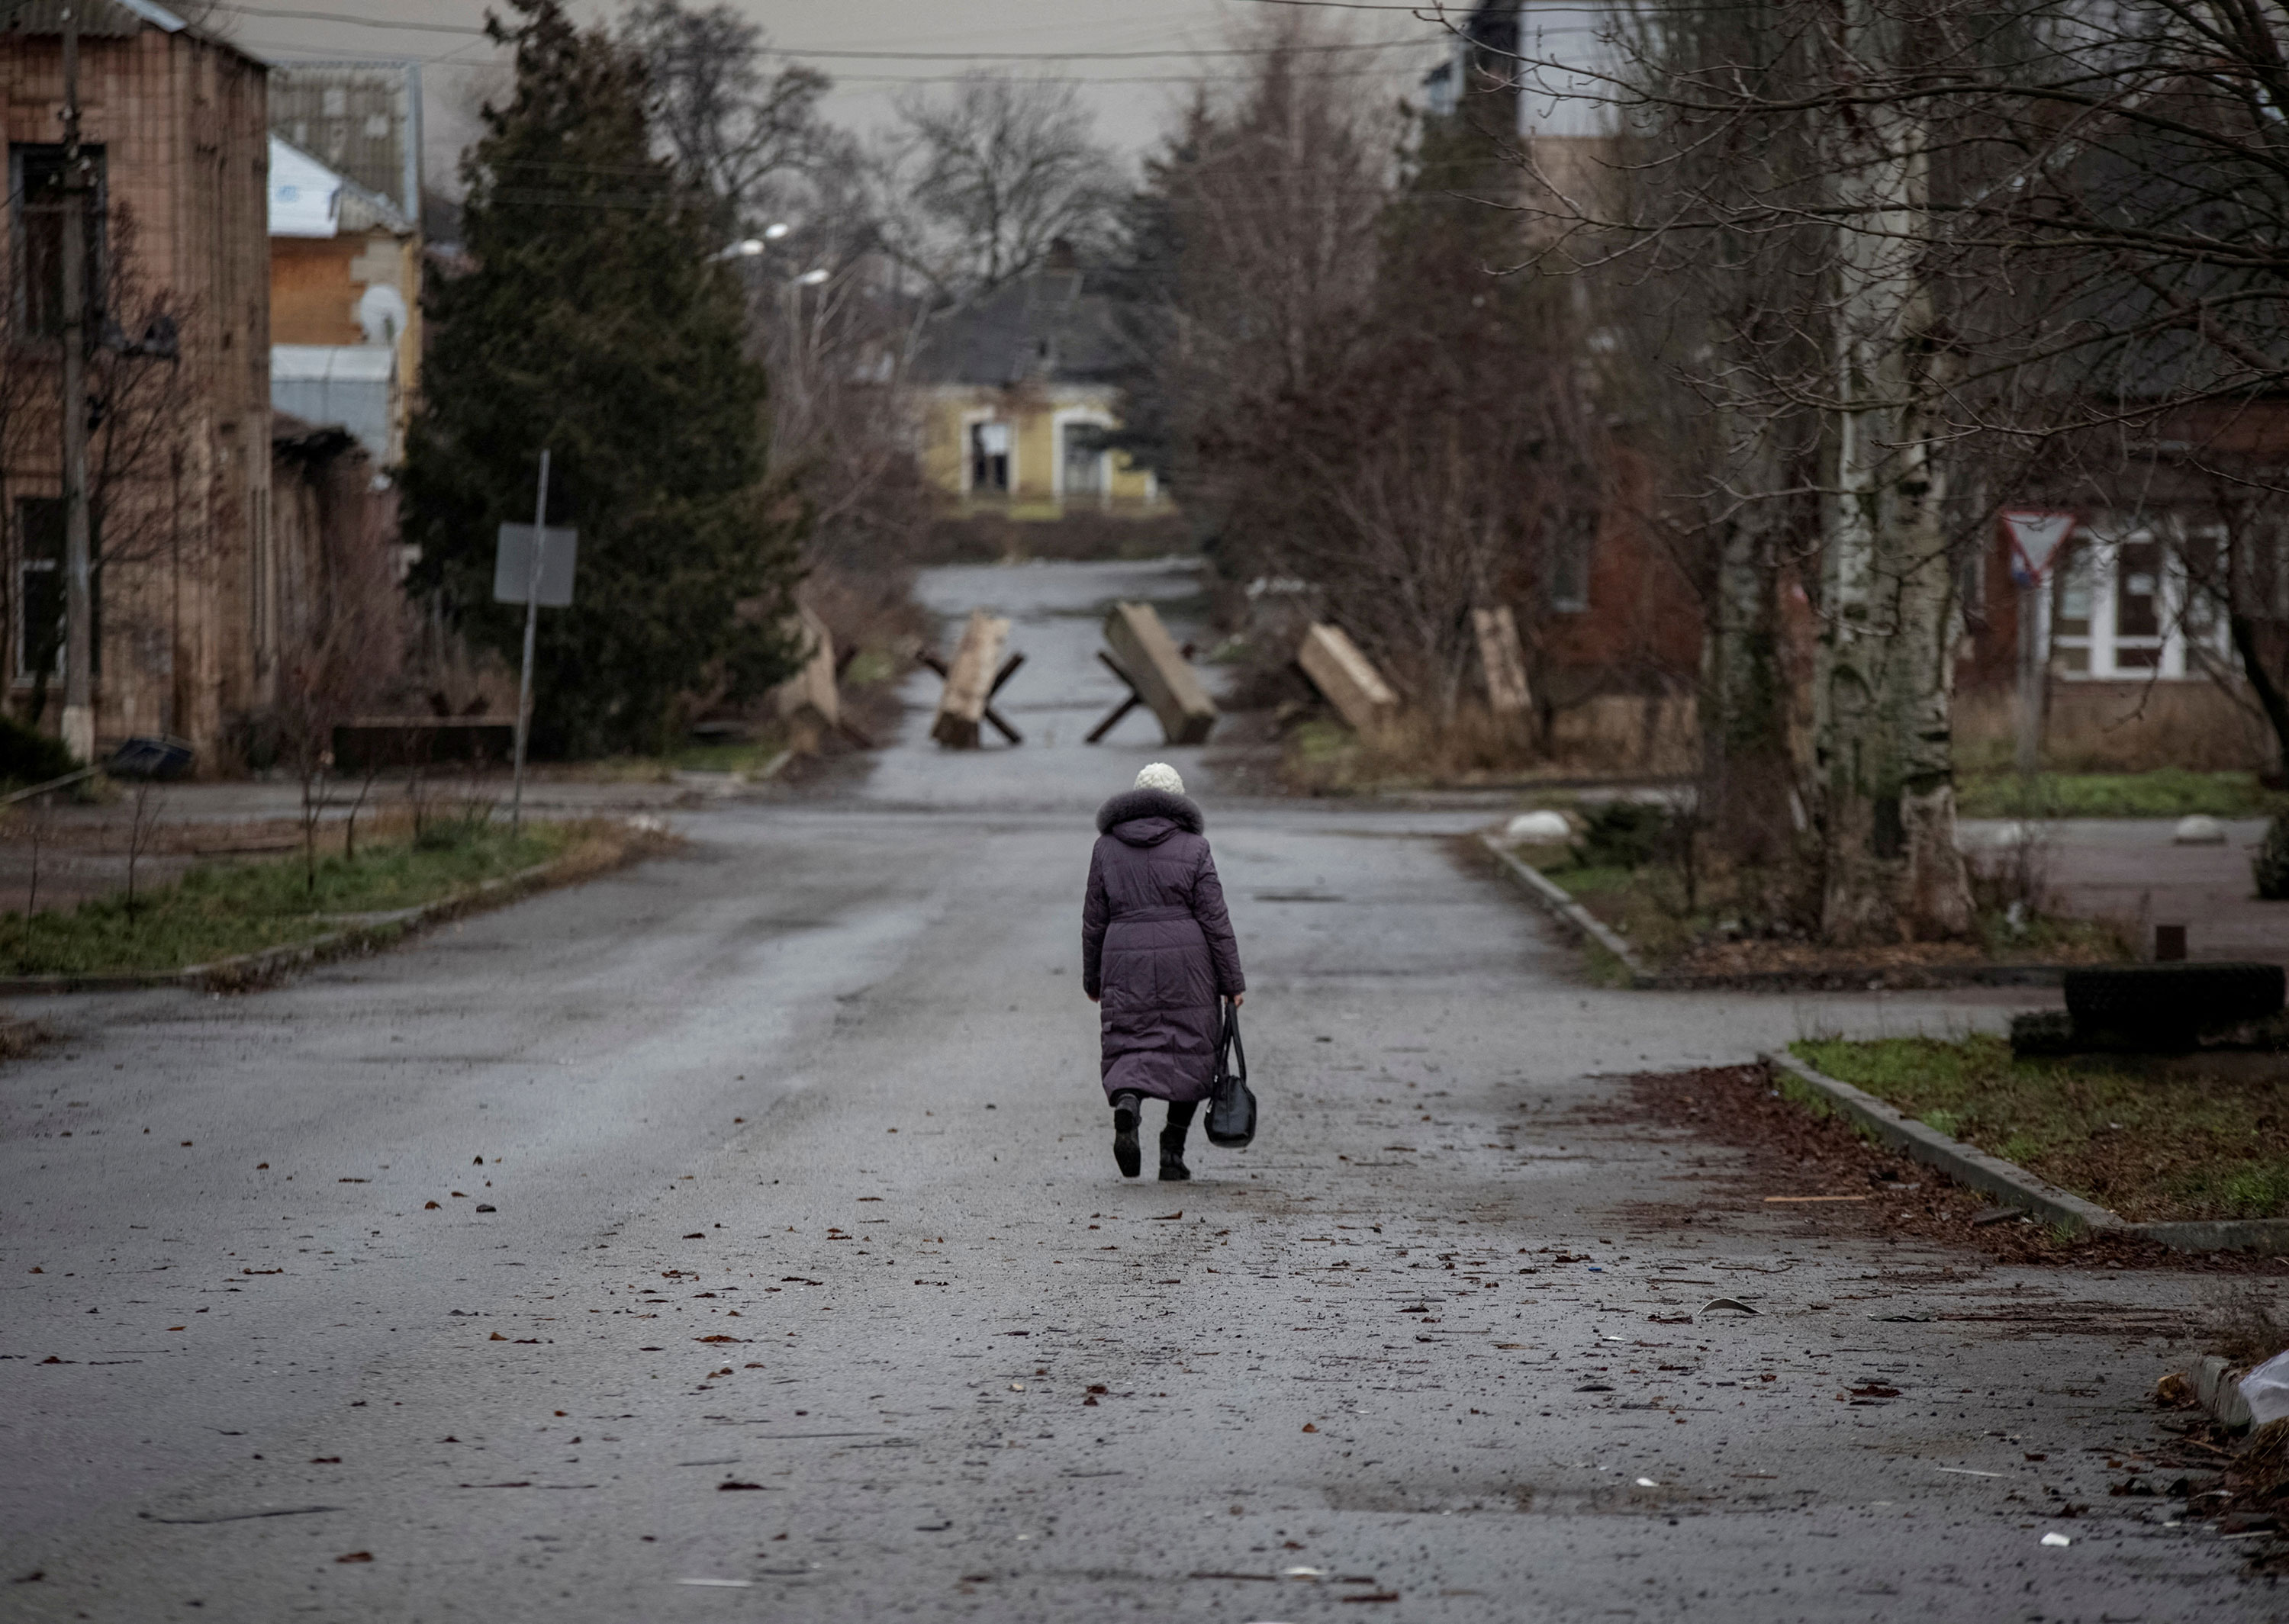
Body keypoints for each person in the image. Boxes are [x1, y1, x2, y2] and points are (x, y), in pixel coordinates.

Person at [1081, 763, 1244, 1181]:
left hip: (1125, 959)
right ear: (1179, 800)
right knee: (1188, 1051)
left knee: (1129, 1043)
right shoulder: (1194, 847)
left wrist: (1093, 978)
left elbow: (1094, 920)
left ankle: (1129, 1105)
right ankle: (1172, 1153)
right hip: (1187, 965)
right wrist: (1232, 983)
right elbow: (1215, 919)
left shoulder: (1106, 847)